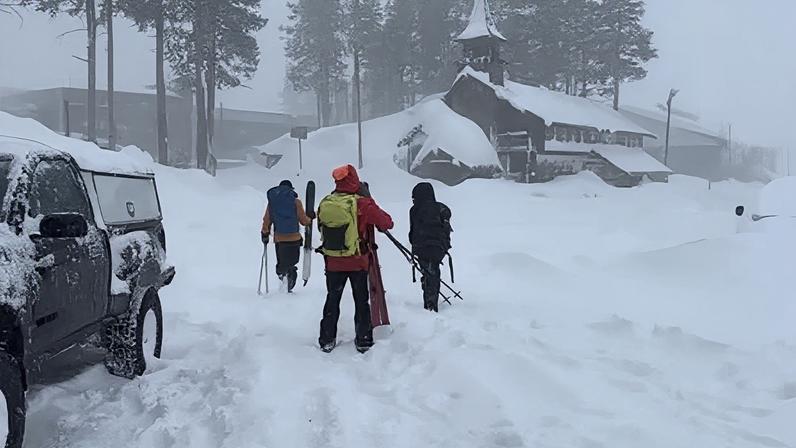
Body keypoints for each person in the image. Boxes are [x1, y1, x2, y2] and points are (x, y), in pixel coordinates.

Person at [317, 164, 393, 353]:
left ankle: (327, 339)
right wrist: (369, 198)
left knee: (332, 299)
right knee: (361, 300)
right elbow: (386, 222)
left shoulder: (326, 202)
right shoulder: (362, 203)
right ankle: (363, 339)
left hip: (333, 261)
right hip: (357, 261)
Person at [261, 180, 314, 293]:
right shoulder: (296, 202)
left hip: (280, 239)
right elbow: (304, 221)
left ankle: (282, 277)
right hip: (294, 239)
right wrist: (310, 218)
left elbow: (267, 220)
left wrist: (265, 233)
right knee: (292, 262)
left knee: (282, 262)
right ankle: (289, 280)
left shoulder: (273, 203)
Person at [409, 182, 452, 312]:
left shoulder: (414, 210)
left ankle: (429, 302)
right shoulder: (441, 208)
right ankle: (431, 300)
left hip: (421, 247)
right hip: (439, 247)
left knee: (428, 272)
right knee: (433, 270)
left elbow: (412, 231)